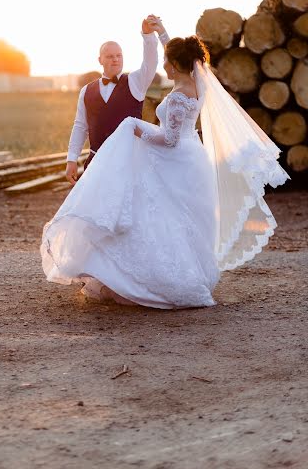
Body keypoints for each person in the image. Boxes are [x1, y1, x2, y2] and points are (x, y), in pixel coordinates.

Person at [41, 20, 289, 309]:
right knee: (183, 223)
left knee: (158, 217)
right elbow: (181, 57)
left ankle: (162, 280)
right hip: (191, 158)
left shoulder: (179, 95)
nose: (165, 67)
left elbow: (169, 139)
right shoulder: (197, 82)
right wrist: (162, 33)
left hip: (174, 158)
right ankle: (192, 272)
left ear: (175, 64)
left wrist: (137, 128)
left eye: (168, 62)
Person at [65, 17, 166, 184]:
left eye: (119, 55)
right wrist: (71, 159)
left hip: (129, 164)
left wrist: (148, 36)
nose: (116, 59)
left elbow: (150, 62)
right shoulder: (86, 91)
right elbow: (80, 126)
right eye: (110, 56)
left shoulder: (135, 82)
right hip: (96, 163)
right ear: (100, 60)